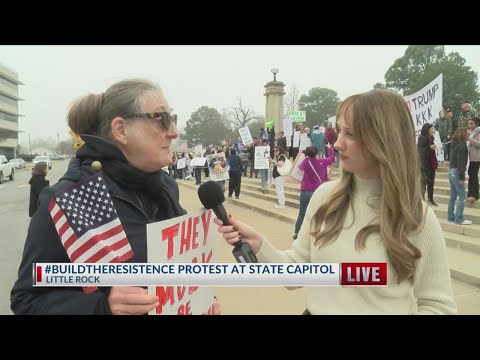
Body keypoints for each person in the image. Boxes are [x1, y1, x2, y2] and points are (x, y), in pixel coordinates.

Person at [214, 89, 457, 315]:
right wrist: (259, 245)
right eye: (339, 131)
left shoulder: (418, 218)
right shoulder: (325, 197)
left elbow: (438, 306)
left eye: (350, 134)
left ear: (383, 140)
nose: (338, 143)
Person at [10, 78, 213, 315]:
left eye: (173, 118)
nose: (174, 132)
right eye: (162, 119)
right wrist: (101, 306)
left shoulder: (165, 187)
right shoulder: (67, 201)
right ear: (121, 130)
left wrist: (199, 298)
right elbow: (26, 301)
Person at [293, 144, 334, 240]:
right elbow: (332, 159)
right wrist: (329, 148)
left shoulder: (305, 162)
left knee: (302, 213)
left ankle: (297, 232)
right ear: (316, 153)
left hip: (305, 191)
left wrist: (305, 155)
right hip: (317, 192)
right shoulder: (322, 162)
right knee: (318, 214)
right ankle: (316, 233)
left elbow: (299, 167)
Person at [448, 128, 471, 225]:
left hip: (451, 171)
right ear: (463, 134)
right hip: (457, 172)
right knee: (462, 196)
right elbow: (461, 162)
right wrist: (462, 177)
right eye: (467, 133)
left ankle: (451, 216)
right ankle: (459, 218)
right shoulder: (462, 146)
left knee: (453, 195)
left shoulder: (454, 145)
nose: (468, 135)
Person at [417, 123, 438, 206]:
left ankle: (430, 199)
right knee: (423, 183)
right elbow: (421, 151)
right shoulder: (422, 138)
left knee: (431, 182)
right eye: (431, 129)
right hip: (425, 164)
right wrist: (430, 147)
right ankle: (421, 200)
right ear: (427, 130)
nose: (432, 131)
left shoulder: (431, 138)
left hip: (432, 162)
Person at [466, 117, 480, 207]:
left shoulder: (478, 132)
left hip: (476, 158)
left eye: (471, 124)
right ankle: (471, 193)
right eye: (469, 124)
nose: (470, 125)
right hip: (471, 158)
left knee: (473, 176)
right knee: (471, 175)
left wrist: (469, 139)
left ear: (476, 124)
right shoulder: (472, 132)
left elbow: (479, 144)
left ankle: (474, 194)